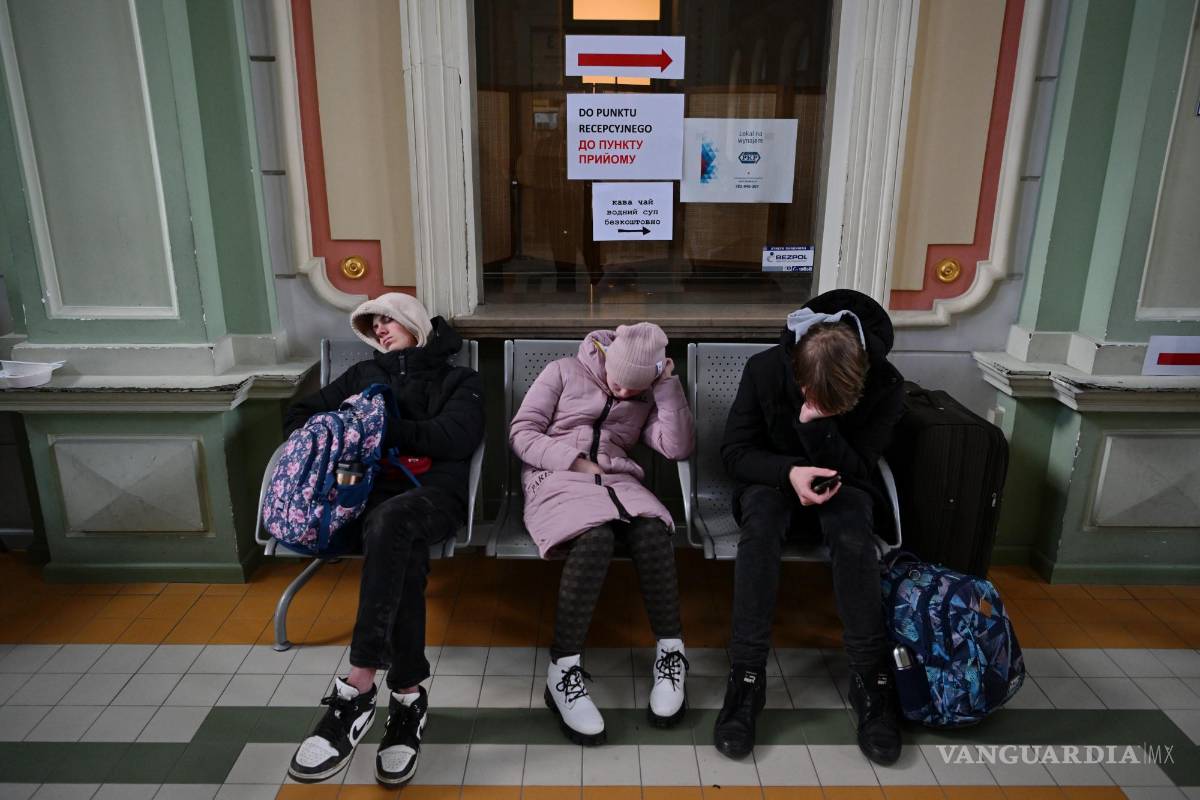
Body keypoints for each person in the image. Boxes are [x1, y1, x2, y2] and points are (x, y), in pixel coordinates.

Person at [283, 293, 484, 786]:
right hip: (362, 502)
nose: (379, 329)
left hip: (434, 496)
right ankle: (408, 700)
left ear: (414, 323)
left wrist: (377, 428)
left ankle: (356, 689)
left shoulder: (460, 380)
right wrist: (338, 431)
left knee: (395, 525)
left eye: (388, 320)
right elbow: (297, 418)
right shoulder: (362, 378)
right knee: (399, 545)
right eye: (372, 324)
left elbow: (455, 438)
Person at [713, 289, 905, 765]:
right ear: (795, 369)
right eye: (807, 396)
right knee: (759, 530)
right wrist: (789, 474)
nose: (812, 402)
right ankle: (747, 678)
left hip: (844, 480)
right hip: (774, 479)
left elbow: (862, 464)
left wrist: (819, 428)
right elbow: (735, 454)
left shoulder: (887, 384)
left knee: (853, 533)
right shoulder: (763, 369)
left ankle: (870, 679)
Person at [509, 323, 694, 745]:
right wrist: (572, 461)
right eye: (618, 383)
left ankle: (671, 653)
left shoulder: (646, 393)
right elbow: (522, 433)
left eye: (637, 389)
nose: (626, 395)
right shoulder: (561, 372)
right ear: (607, 361)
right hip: (553, 477)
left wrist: (665, 388)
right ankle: (563, 670)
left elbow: (677, 446)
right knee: (596, 540)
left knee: (652, 531)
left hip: (616, 482)